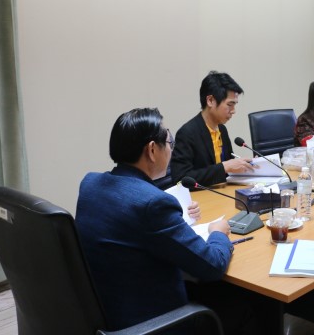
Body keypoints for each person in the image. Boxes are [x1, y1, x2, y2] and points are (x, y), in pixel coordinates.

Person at [76, 108, 234, 333]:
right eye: (169, 142)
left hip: (107, 312)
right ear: (152, 150)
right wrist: (218, 232)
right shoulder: (153, 205)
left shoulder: (89, 184)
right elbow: (213, 265)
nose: (171, 149)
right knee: (250, 307)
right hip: (153, 322)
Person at [171, 71, 254, 186]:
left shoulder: (222, 129)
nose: (234, 111)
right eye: (230, 105)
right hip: (201, 195)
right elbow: (180, 179)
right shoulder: (187, 133)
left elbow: (229, 168)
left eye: (235, 105)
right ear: (210, 101)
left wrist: (246, 165)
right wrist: (224, 167)